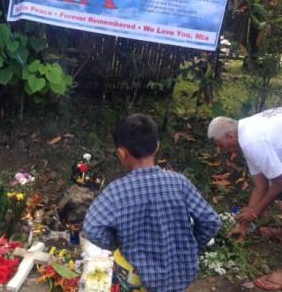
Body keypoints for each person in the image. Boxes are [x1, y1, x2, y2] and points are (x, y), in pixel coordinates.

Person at [83, 114, 220, 292]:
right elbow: (211, 221)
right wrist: (190, 245)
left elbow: (92, 228)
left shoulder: (116, 192)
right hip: (177, 277)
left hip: (136, 277)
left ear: (121, 153)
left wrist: (117, 242)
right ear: (157, 147)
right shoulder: (179, 183)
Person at [208, 108, 282, 291]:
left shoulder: (252, 141)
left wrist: (255, 212)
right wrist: (244, 224)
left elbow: (280, 182)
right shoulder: (245, 132)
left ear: (231, 136)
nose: (221, 151)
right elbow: (261, 185)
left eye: (221, 145)